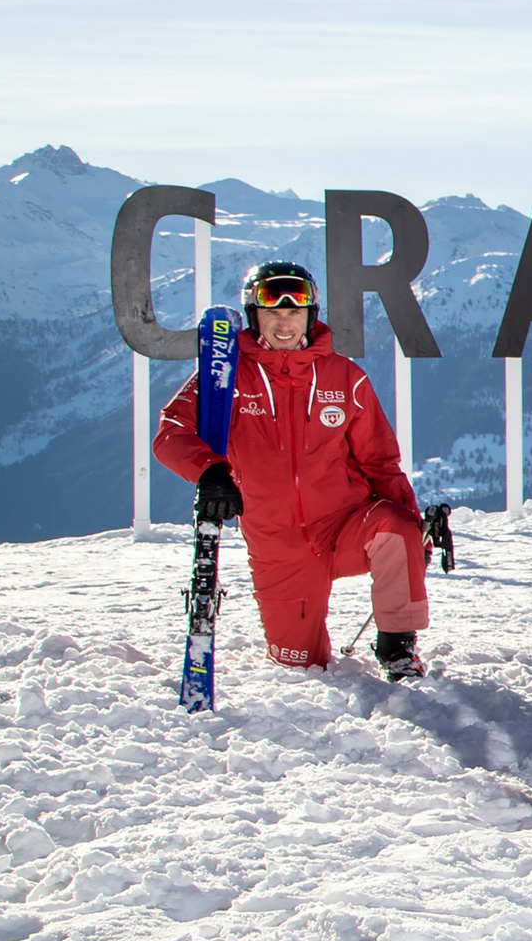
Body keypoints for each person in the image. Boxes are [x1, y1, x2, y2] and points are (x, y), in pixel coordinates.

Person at [153, 261, 430, 680]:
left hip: (345, 526)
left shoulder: (345, 377)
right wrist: (209, 471)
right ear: (253, 316)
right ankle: (301, 643)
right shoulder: (225, 376)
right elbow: (171, 432)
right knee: (299, 668)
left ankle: (397, 646)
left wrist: (413, 530)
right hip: (278, 545)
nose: (285, 323)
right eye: (273, 313)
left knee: (395, 527)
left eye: (294, 312)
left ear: (310, 315)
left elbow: (379, 461)